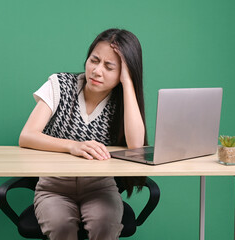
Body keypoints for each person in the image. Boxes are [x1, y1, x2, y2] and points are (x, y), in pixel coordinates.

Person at [19, 28, 147, 240]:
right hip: (54, 187)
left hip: (100, 187)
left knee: (105, 227)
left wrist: (128, 83)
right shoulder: (60, 85)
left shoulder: (123, 102)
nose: (97, 71)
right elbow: (27, 136)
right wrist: (73, 146)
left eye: (109, 66)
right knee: (61, 229)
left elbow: (136, 146)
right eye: (94, 60)